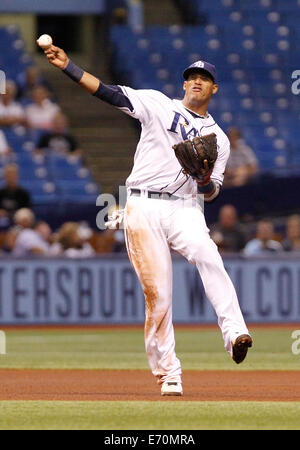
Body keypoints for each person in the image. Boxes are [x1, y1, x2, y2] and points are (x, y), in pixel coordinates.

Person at [42, 43, 252, 396]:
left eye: (205, 78)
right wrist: (69, 67)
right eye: (192, 77)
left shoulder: (219, 139)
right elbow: (108, 93)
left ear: (214, 88)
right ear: (184, 84)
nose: (197, 82)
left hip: (186, 206)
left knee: (209, 256)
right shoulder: (157, 104)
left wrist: (202, 182)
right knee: (159, 294)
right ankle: (168, 373)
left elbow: (213, 189)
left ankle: (235, 334)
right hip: (142, 204)